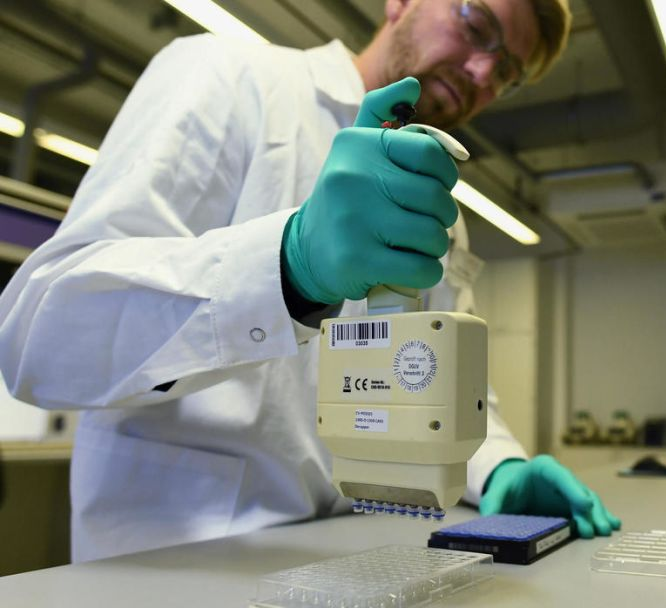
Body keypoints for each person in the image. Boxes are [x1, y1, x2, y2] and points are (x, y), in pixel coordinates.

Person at [0, 0, 620, 562]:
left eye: (507, 72)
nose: (484, 72)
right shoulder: (230, 77)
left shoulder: (436, 207)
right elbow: (40, 341)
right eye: (477, 25)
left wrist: (498, 465)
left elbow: (435, 376)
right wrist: (288, 268)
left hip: (353, 562)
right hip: (176, 565)